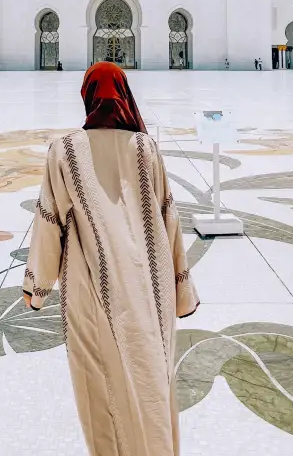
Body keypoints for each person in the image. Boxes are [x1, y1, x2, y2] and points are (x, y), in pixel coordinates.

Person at [23, 61, 199, 456]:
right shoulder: (145, 147)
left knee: (99, 385)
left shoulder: (64, 149)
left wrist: (37, 287)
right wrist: (182, 291)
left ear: (86, 96)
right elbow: (169, 219)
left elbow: (48, 222)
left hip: (89, 290)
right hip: (149, 290)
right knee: (150, 377)